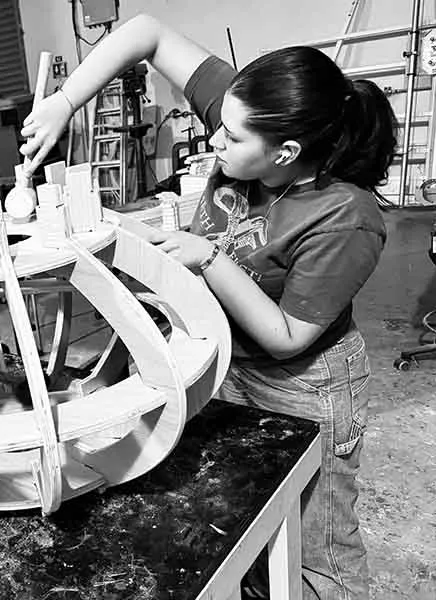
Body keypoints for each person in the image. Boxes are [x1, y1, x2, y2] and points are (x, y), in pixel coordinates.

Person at [20, 14, 397, 600]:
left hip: (302, 383)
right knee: (239, 524)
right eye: (220, 125)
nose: (214, 141)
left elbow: (288, 336)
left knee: (317, 551)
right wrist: (65, 103)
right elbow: (144, 30)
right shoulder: (247, 112)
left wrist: (209, 258)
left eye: (232, 138)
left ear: (286, 152)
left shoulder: (345, 216)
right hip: (221, 359)